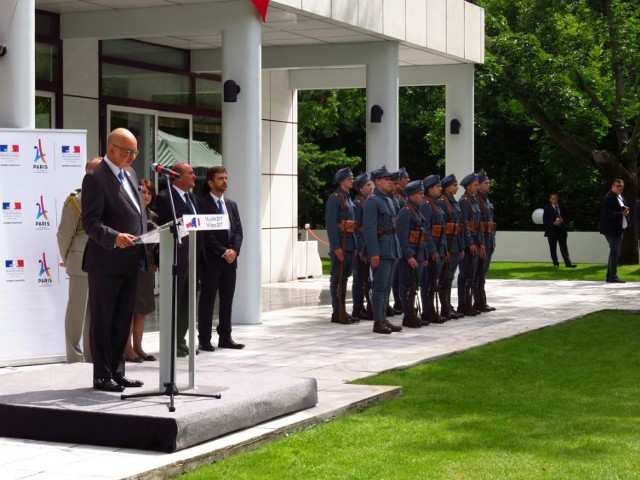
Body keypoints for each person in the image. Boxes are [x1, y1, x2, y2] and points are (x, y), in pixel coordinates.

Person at [81, 127, 146, 392]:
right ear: (111, 149)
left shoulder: (129, 174)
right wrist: (114, 236)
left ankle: (118, 372)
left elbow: (136, 214)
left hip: (131, 260)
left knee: (122, 320)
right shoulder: (96, 178)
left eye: (135, 152)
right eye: (128, 151)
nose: (133, 157)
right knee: (104, 319)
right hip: (106, 262)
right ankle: (101, 375)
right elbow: (91, 223)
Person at [57, 156, 101, 363]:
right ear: (88, 172)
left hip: (103, 258)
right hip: (80, 257)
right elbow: (64, 234)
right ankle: (74, 356)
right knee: (77, 311)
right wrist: (67, 257)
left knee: (95, 311)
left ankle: (93, 356)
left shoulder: (107, 195)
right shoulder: (76, 199)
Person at [154, 162, 201, 357]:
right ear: (177, 176)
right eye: (190, 173)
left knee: (187, 303)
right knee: (174, 301)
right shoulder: (165, 198)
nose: (194, 177)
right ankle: (171, 342)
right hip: (175, 257)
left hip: (192, 257)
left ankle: (181, 341)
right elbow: (164, 227)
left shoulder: (192, 198)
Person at [198, 166, 245, 349]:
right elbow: (205, 232)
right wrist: (223, 251)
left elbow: (238, 230)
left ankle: (225, 337)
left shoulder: (231, 205)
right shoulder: (202, 204)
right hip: (211, 261)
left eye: (226, 178)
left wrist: (234, 250)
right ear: (211, 183)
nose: (224, 181)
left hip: (230, 261)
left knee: (227, 300)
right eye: (220, 178)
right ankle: (204, 339)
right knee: (207, 301)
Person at [363, 166, 402, 334]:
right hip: (381, 248)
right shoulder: (372, 201)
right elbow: (370, 229)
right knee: (379, 286)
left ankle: (383, 318)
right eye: (386, 179)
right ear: (377, 181)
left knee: (386, 286)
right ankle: (377, 322)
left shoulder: (389, 200)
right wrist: (374, 252)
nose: (390, 182)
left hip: (391, 246)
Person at [124, 179, 158, 363]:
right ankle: (127, 349)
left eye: (148, 193)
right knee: (130, 308)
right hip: (131, 265)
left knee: (142, 309)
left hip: (147, 266)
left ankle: (139, 347)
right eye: (142, 192)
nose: (145, 196)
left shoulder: (152, 215)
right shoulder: (129, 213)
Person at [325, 167, 359, 324]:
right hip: (341, 243)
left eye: (352, 178)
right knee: (337, 279)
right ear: (342, 181)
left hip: (350, 243)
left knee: (344, 278)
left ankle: (343, 310)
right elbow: (331, 225)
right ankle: (337, 311)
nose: (352, 180)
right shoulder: (334, 198)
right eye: (349, 179)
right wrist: (336, 247)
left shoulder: (348, 198)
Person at [396, 180, 428, 328]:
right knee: (406, 285)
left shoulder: (417, 211)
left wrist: (425, 255)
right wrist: (409, 255)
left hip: (419, 254)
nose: (423, 196)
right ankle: (408, 315)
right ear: (413, 195)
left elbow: (422, 235)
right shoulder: (405, 212)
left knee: (415, 285)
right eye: (420, 194)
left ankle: (413, 314)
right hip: (411, 255)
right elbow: (402, 236)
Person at [419, 175, 447, 324]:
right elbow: (426, 230)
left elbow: (441, 230)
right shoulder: (426, 205)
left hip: (440, 247)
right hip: (433, 250)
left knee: (433, 282)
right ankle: (427, 310)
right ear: (430, 189)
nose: (440, 188)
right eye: (437, 187)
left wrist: (444, 250)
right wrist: (432, 250)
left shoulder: (436, 204)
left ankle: (431, 310)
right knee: (428, 282)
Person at [457, 173, 484, 316]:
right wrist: (470, 243)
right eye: (475, 185)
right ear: (468, 187)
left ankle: (468, 303)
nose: (477, 187)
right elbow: (465, 224)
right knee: (465, 275)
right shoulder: (464, 201)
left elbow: (478, 224)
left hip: (475, 240)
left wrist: (481, 243)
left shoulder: (473, 200)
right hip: (469, 243)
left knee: (471, 275)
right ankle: (463, 304)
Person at [439, 174, 464, 320]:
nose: (457, 187)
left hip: (454, 244)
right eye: (454, 185)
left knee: (449, 277)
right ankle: (445, 307)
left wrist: (460, 247)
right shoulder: (443, 202)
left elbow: (457, 227)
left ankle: (448, 306)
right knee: (445, 277)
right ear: (447, 187)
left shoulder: (453, 202)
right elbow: (443, 228)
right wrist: (445, 249)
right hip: (447, 245)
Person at [475, 171, 498, 311]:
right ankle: (479, 301)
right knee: (479, 273)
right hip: (482, 240)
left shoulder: (485, 199)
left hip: (489, 239)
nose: (489, 185)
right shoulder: (477, 200)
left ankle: (482, 300)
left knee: (483, 273)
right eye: (486, 183)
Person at [351, 173, 373, 320]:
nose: (371, 187)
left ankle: (364, 306)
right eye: (367, 185)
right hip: (361, 246)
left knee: (366, 278)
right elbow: (357, 228)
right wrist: (360, 248)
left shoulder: (368, 202)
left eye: (371, 184)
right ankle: (357, 307)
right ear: (360, 189)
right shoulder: (357, 204)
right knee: (359, 279)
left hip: (368, 245)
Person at [389, 167, 410, 315]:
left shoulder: (404, 196)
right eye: (405, 178)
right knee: (396, 274)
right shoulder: (396, 198)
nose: (408, 180)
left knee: (399, 273)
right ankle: (398, 301)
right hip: (396, 237)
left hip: (402, 237)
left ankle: (400, 301)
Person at [599, 179, 629, 283]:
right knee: (615, 252)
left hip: (618, 229)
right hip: (611, 230)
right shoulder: (609, 198)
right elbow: (607, 214)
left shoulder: (619, 197)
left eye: (621, 186)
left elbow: (621, 209)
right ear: (612, 186)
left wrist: (625, 211)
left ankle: (610, 276)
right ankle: (612, 277)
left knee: (614, 252)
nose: (619, 188)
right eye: (617, 186)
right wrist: (621, 213)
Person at [543, 192, 576, 268]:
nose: (555, 200)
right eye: (553, 198)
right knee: (553, 248)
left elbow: (568, 218)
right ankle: (555, 263)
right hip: (551, 232)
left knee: (564, 248)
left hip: (561, 231)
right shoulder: (547, 209)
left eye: (556, 198)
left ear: (558, 199)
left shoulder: (563, 207)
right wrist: (554, 223)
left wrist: (562, 220)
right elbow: (545, 221)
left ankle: (568, 264)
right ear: (550, 200)